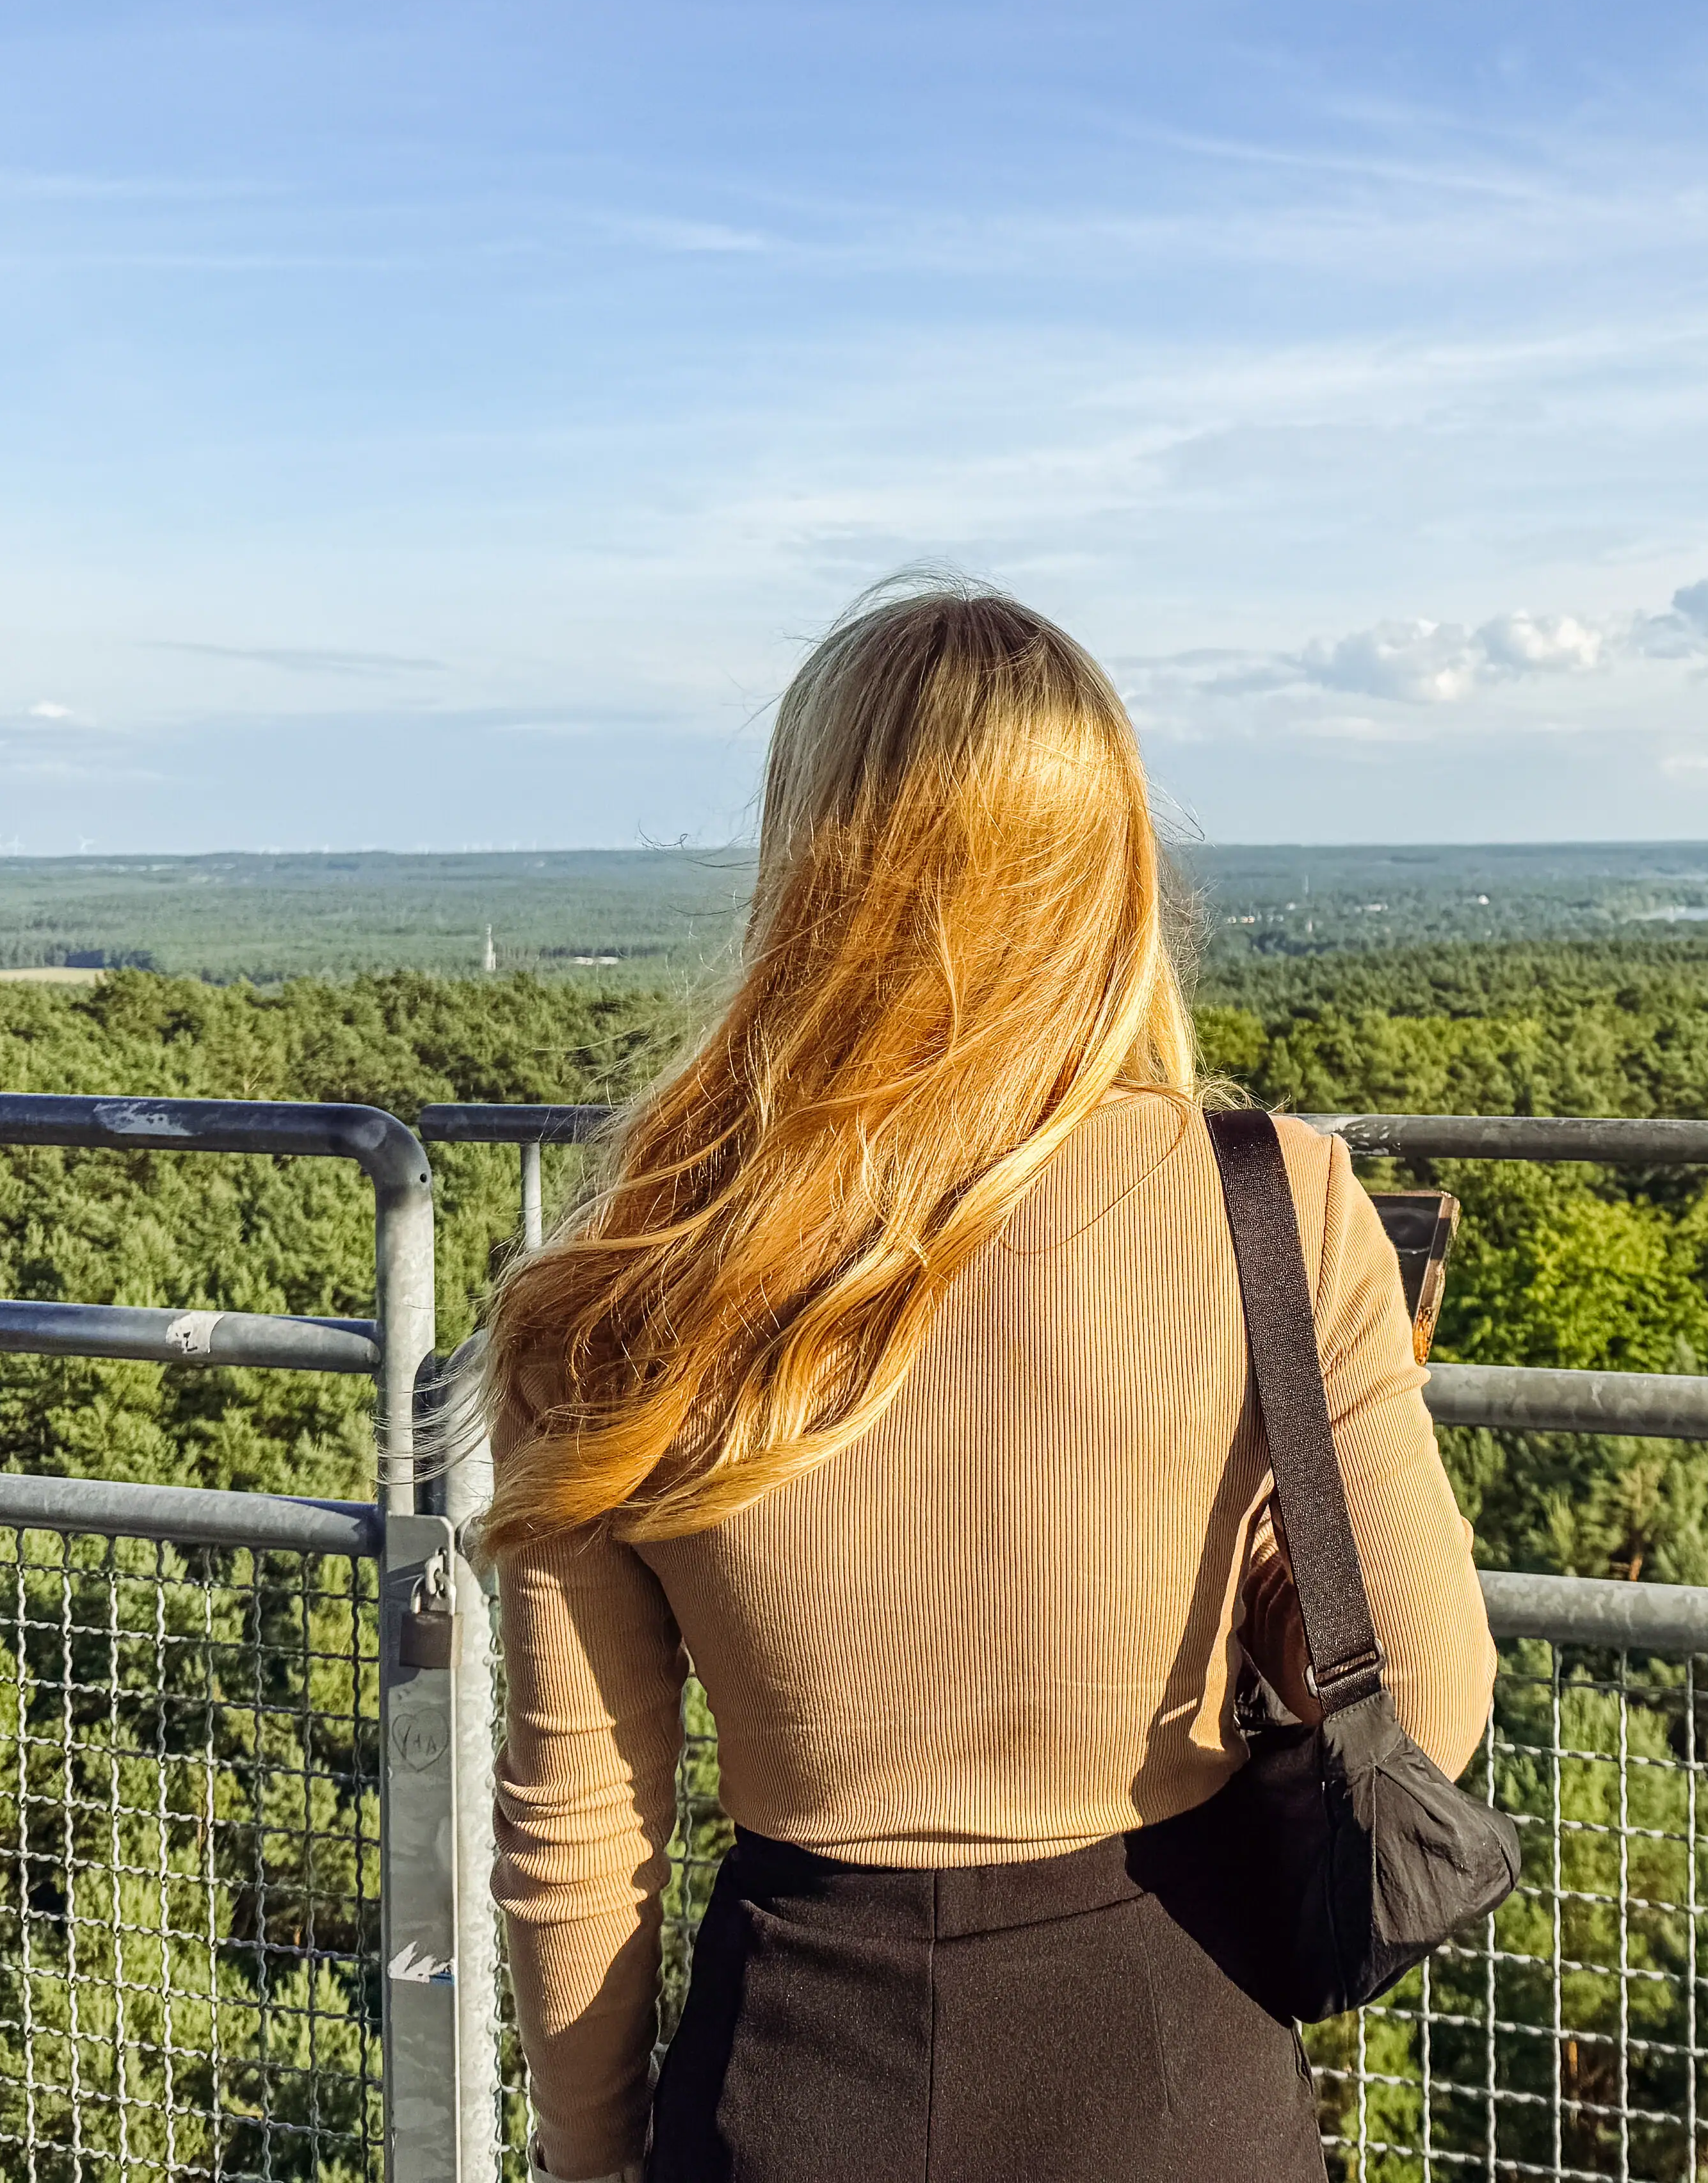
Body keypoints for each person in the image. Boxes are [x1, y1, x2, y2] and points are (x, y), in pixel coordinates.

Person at [471, 582, 1496, 2183]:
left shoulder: (618, 1283)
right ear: (1116, 866)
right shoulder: (1276, 1201)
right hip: (1177, 2060)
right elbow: (1428, 1703)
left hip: (788, 2084)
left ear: (805, 855)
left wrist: (593, 2155)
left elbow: (580, 1832)